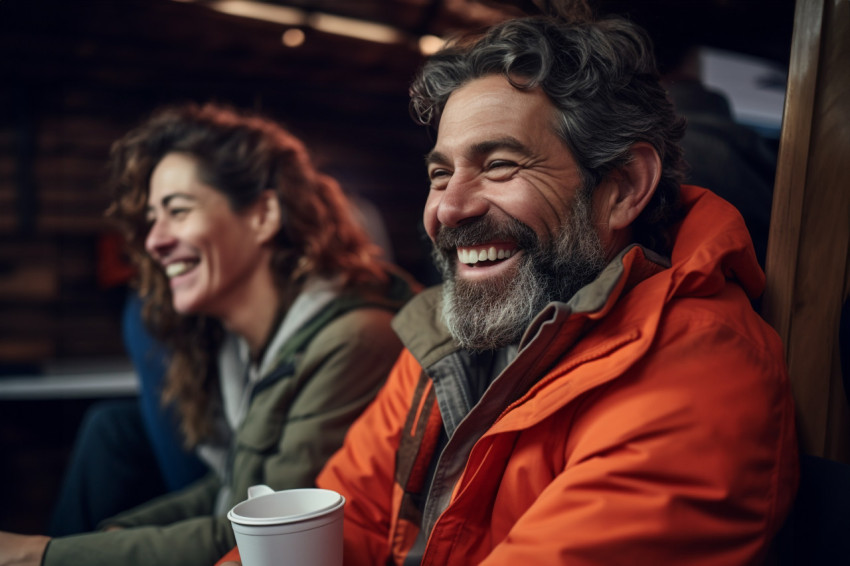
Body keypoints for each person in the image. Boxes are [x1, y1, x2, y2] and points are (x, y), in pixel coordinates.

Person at [213, 9, 800, 566]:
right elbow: (353, 522)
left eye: (499, 165)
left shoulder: (698, 378)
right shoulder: (443, 339)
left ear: (622, 188)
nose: (450, 208)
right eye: (441, 174)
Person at [0, 102, 416, 566]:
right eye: (151, 218)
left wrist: (42, 554)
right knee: (109, 426)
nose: (153, 240)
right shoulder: (239, 346)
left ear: (262, 216)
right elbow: (229, 487)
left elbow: (263, 532)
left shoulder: (355, 339)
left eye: (177, 210)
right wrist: (112, 535)